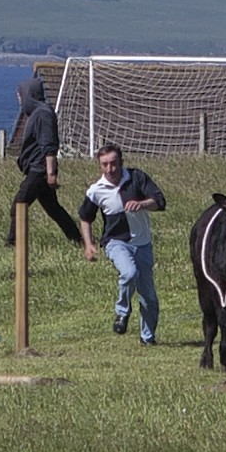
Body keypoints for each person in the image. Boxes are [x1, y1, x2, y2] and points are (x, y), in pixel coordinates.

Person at [78, 143, 166, 345]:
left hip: (142, 244)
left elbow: (160, 201)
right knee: (129, 273)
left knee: (149, 296)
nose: (110, 169)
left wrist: (142, 204)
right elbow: (85, 218)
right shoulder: (96, 190)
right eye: (105, 165)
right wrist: (89, 244)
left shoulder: (136, 178)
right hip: (116, 242)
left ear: (121, 162)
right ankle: (122, 312)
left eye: (113, 163)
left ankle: (147, 338)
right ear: (100, 166)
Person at [6, 77, 83, 247]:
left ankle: (13, 243)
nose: (19, 98)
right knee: (53, 208)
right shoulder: (37, 113)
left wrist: (51, 173)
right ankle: (77, 239)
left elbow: (49, 146)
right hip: (37, 168)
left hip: (39, 169)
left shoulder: (43, 114)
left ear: (28, 94)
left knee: (19, 204)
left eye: (20, 95)